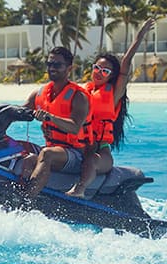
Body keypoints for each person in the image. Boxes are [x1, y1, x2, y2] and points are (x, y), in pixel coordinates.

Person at [66, 18, 155, 198]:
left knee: (91, 160)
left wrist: (139, 36)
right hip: (77, 146)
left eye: (105, 71)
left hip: (100, 150)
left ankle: (79, 191)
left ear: (111, 76)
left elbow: (125, 64)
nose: (99, 73)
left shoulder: (114, 94)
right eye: (97, 68)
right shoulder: (82, 92)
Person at [20, 46, 90, 197]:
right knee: (22, 151)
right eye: (49, 64)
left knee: (47, 154)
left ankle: (27, 201)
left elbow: (74, 127)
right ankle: (17, 193)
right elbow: (20, 110)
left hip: (75, 154)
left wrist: (50, 117)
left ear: (69, 68)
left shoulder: (78, 96)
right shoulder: (39, 93)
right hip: (53, 148)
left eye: (57, 65)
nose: (52, 68)